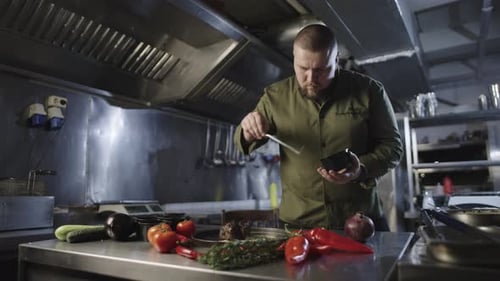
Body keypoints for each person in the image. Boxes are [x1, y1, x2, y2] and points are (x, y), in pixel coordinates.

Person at [234, 24, 403, 231]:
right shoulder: (274, 97)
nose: (311, 79)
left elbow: (393, 147)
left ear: (336, 59)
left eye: (322, 70)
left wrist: (361, 169)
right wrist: (248, 128)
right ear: (294, 56)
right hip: (298, 225)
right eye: (303, 69)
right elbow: (242, 141)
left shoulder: (369, 91)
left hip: (360, 221)